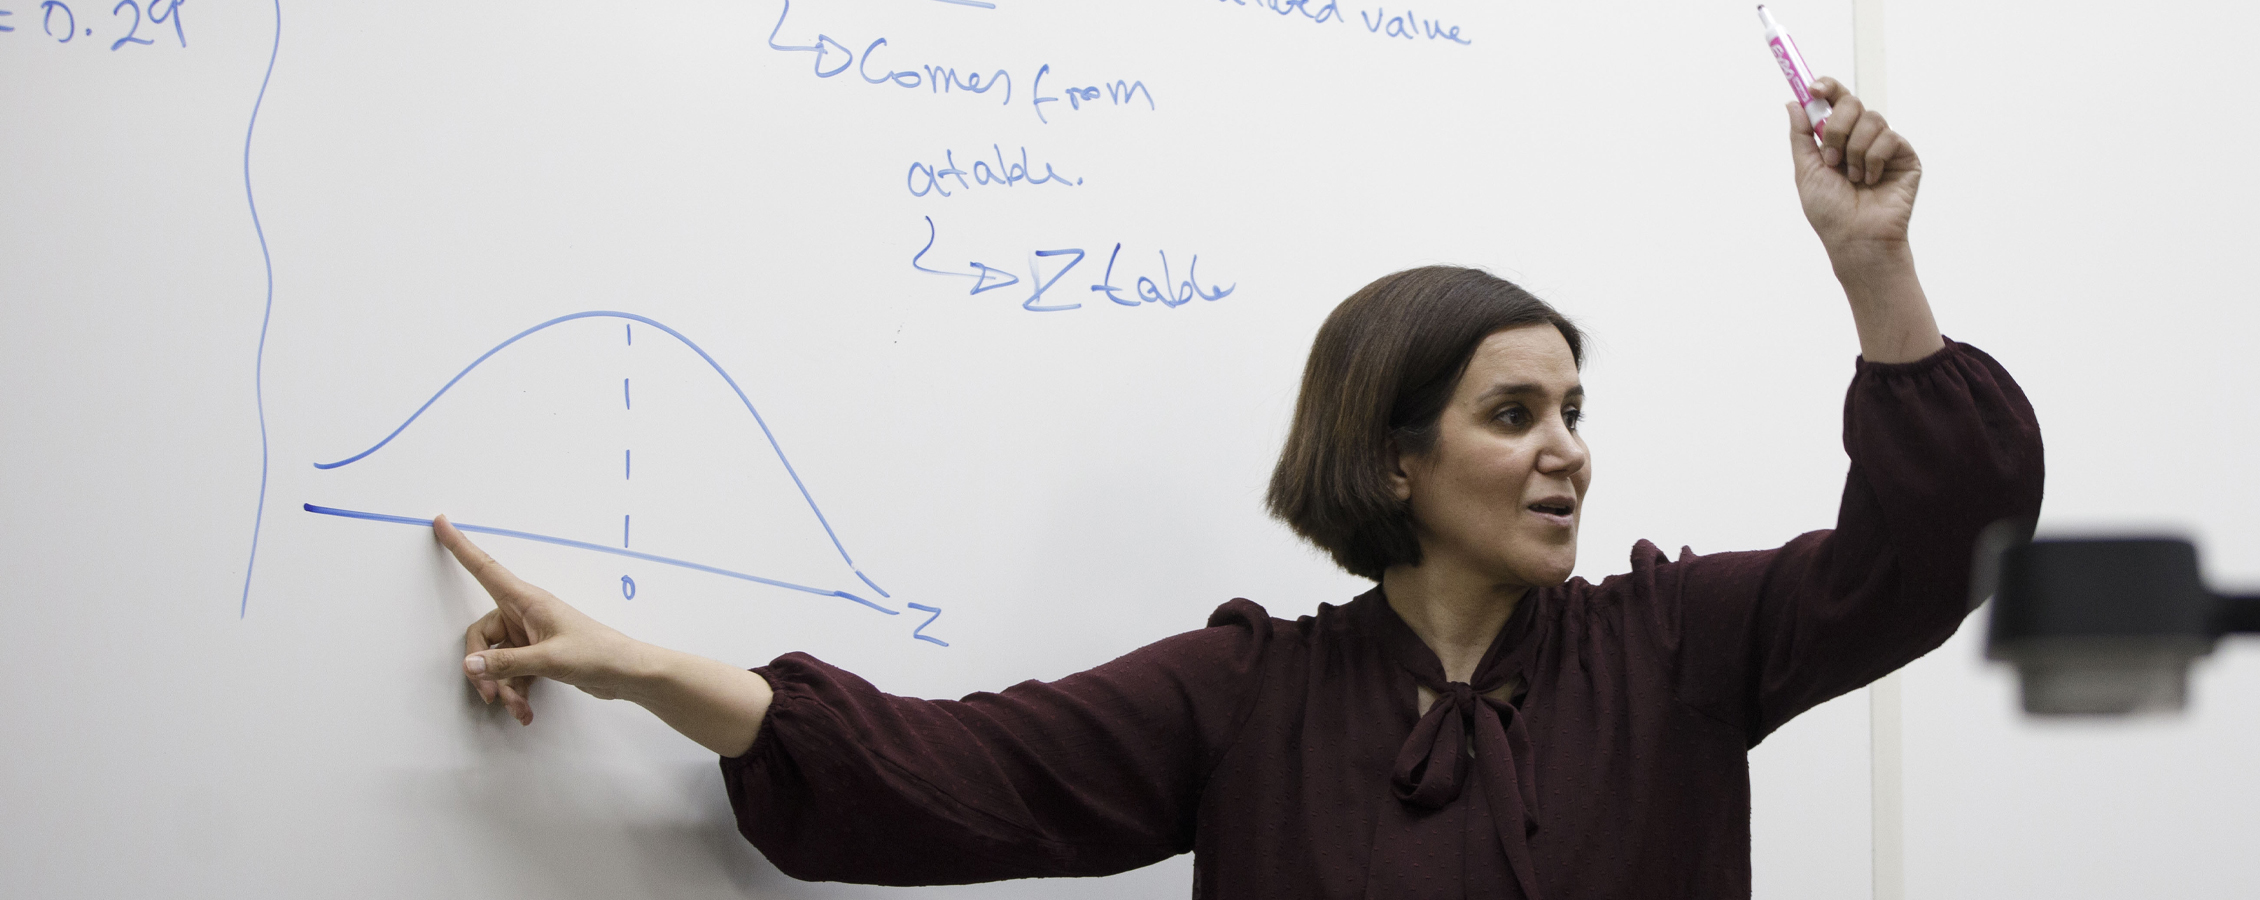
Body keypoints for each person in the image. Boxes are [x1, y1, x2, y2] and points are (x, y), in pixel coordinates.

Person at [437, 78, 2044, 898]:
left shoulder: (1679, 645)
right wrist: (636, 662)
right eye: (1514, 413)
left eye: (1574, 408)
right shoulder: (1250, 696)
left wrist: (1874, 262)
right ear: (1395, 459)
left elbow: (1935, 547)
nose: (1569, 447)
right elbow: (944, 773)